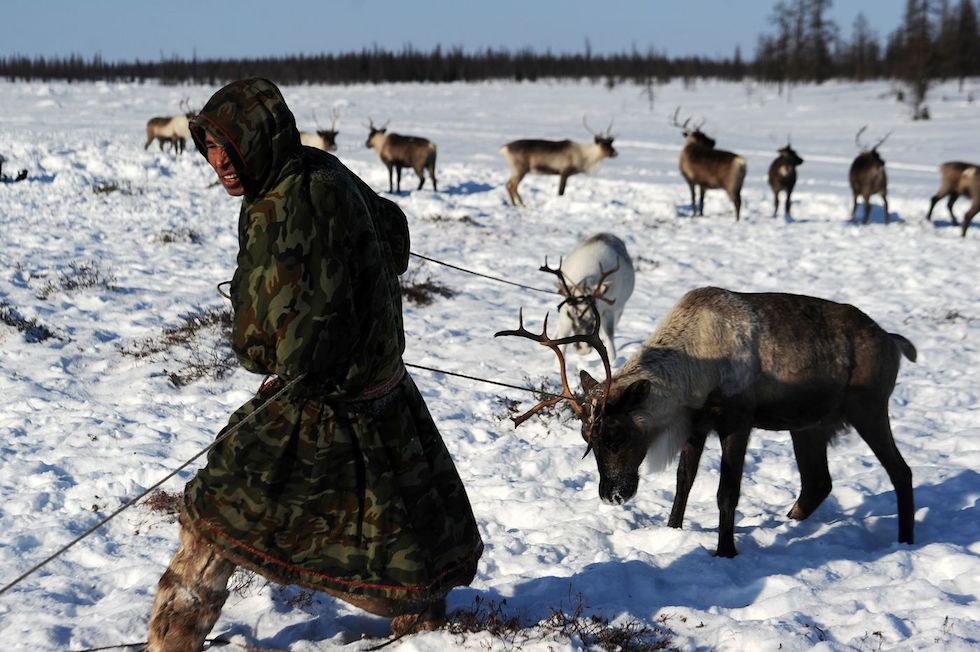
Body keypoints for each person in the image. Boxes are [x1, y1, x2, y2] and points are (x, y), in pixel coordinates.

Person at [147, 78, 484, 651]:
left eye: (232, 145)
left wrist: (252, 335)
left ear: (262, 139)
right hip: (384, 391)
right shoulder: (318, 169)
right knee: (402, 546)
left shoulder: (285, 207)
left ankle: (172, 640)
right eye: (210, 146)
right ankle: (423, 629)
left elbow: (289, 350)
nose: (220, 161)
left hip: (323, 399)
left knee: (213, 516)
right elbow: (395, 235)